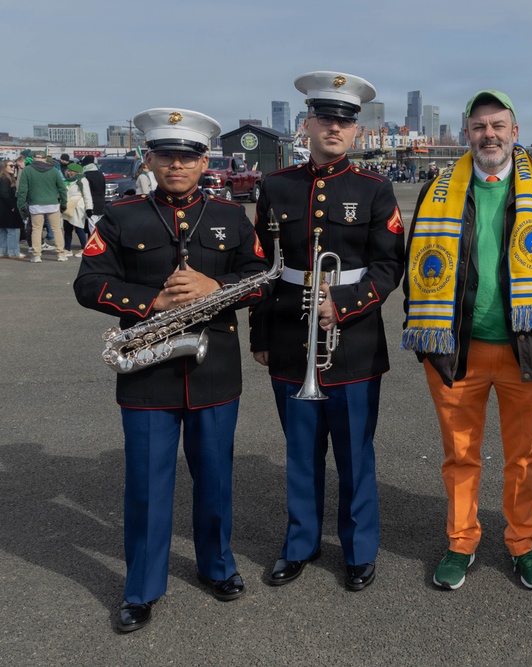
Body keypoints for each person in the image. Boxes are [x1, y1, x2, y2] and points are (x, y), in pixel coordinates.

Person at [74, 108, 271, 633]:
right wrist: (152, 301)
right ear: (150, 159)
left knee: (215, 480)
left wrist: (217, 288)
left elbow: (262, 279)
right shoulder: (120, 217)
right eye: (167, 155)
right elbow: (89, 283)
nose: (177, 164)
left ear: (205, 160)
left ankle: (217, 567)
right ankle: (140, 588)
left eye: (188, 156)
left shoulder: (231, 216)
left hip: (214, 372)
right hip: (147, 375)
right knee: (145, 487)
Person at [402, 90, 532, 591]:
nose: (489, 134)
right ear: (467, 133)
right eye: (480, 126)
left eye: (498, 125)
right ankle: (461, 542)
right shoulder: (438, 189)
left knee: (521, 457)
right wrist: (424, 337)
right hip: (456, 349)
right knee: (460, 454)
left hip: (527, 350)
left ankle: (522, 543)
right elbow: (416, 270)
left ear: (515, 132)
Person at [250, 71, 405, 592]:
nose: (335, 128)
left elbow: (389, 267)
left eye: (345, 121)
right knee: (300, 449)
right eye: (326, 119)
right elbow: (263, 269)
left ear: (356, 131)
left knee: (355, 453)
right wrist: (261, 336)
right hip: (291, 335)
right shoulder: (275, 186)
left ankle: (360, 550)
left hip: (355, 340)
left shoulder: (375, 188)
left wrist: (343, 303)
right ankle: (300, 543)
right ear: (307, 123)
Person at [16, 152, 67, 262]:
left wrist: (21, 204)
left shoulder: (27, 170)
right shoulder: (53, 170)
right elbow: (62, 188)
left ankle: (36, 255)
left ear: (34, 158)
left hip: (35, 203)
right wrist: (64, 203)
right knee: (57, 229)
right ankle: (60, 254)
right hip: (53, 203)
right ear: (45, 159)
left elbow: (22, 189)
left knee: (36, 229)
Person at [61, 162, 92, 257]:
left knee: (79, 228)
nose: (68, 172)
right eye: (68, 171)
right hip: (68, 206)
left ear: (75, 172)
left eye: (70, 171)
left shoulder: (82, 180)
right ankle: (67, 248)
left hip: (78, 206)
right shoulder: (68, 181)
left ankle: (84, 248)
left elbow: (87, 195)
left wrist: (89, 208)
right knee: (67, 228)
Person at [0, 160, 24, 258]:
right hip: (8, 209)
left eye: (14, 165)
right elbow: (4, 194)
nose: (13, 167)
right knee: (13, 231)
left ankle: (3, 251)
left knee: (4, 231)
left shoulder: (4, 178)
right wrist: (12, 206)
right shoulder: (5, 179)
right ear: (4, 167)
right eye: (11, 165)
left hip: (3, 209)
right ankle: (13, 252)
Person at [80, 155, 106, 235]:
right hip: (101, 201)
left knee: (92, 226)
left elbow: (85, 192)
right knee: (99, 224)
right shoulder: (100, 174)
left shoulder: (85, 175)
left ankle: (94, 243)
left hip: (91, 203)